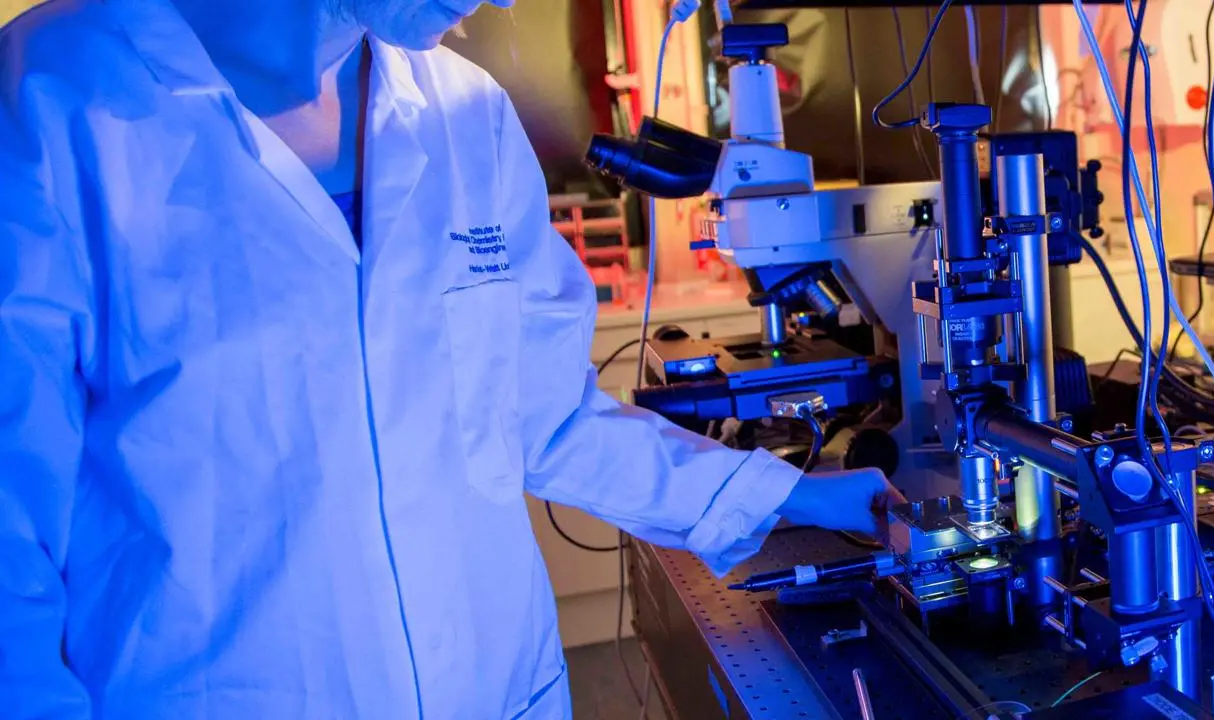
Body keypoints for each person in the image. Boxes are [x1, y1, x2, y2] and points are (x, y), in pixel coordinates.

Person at [0, 0, 901, 716]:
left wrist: (789, 495)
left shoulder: (463, 114)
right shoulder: (49, 101)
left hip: (497, 690)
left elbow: (541, 414)